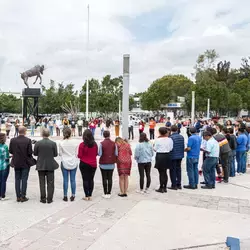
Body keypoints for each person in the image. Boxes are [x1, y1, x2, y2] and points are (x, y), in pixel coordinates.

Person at [34, 129, 58, 204]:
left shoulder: (38, 143)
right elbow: (55, 154)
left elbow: (35, 153)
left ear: (42, 134)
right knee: (50, 182)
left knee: (42, 182)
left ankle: (43, 198)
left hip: (41, 164)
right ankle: (50, 198)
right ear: (49, 134)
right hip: (50, 164)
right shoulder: (53, 143)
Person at [9, 126, 32, 202]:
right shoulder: (28, 140)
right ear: (25, 132)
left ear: (18, 131)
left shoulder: (13, 140)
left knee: (17, 179)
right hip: (25, 162)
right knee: (24, 179)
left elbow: (11, 151)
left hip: (16, 161)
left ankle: (18, 196)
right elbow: (29, 152)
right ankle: (23, 196)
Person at [78, 129, 98, 201]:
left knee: (85, 180)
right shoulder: (95, 144)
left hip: (84, 163)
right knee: (91, 179)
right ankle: (90, 195)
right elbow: (96, 154)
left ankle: (86, 195)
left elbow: (79, 155)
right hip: (93, 164)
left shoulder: (82, 145)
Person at [59, 128, 78, 202]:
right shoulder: (75, 142)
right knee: (73, 180)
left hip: (64, 162)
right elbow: (76, 153)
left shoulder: (61, 143)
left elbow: (60, 154)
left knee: (65, 180)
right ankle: (73, 195)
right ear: (70, 133)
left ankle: (65, 196)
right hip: (73, 161)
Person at [99, 130, 117, 198]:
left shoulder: (101, 143)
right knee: (110, 178)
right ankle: (109, 193)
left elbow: (100, 154)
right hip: (111, 164)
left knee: (104, 178)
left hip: (103, 164)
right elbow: (116, 153)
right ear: (109, 135)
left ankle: (105, 193)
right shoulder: (114, 143)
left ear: (104, 135)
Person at [154, 127, 173, 193]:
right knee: (165, 172)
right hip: (167, 155)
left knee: (161, 172)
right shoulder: (170, 139)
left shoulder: (158, 140)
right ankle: (165, 187)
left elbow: (155, 149)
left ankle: (161, 187)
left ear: (160, 132)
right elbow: (171, 148)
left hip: (160, 156)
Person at [169, 125, 185, 190]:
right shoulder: (181, 137)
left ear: (171, 130)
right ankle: (179, 184)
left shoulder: (171, 137)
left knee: (172, 170)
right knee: (178, 169)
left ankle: (174, 185)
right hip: (180, 155)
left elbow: (170, 147)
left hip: (173, 155)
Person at [0, 133, 10, 200]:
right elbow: (6, 158)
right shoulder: (5, 146)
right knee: (3, 181)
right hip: (4, 166)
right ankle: (2, 195)